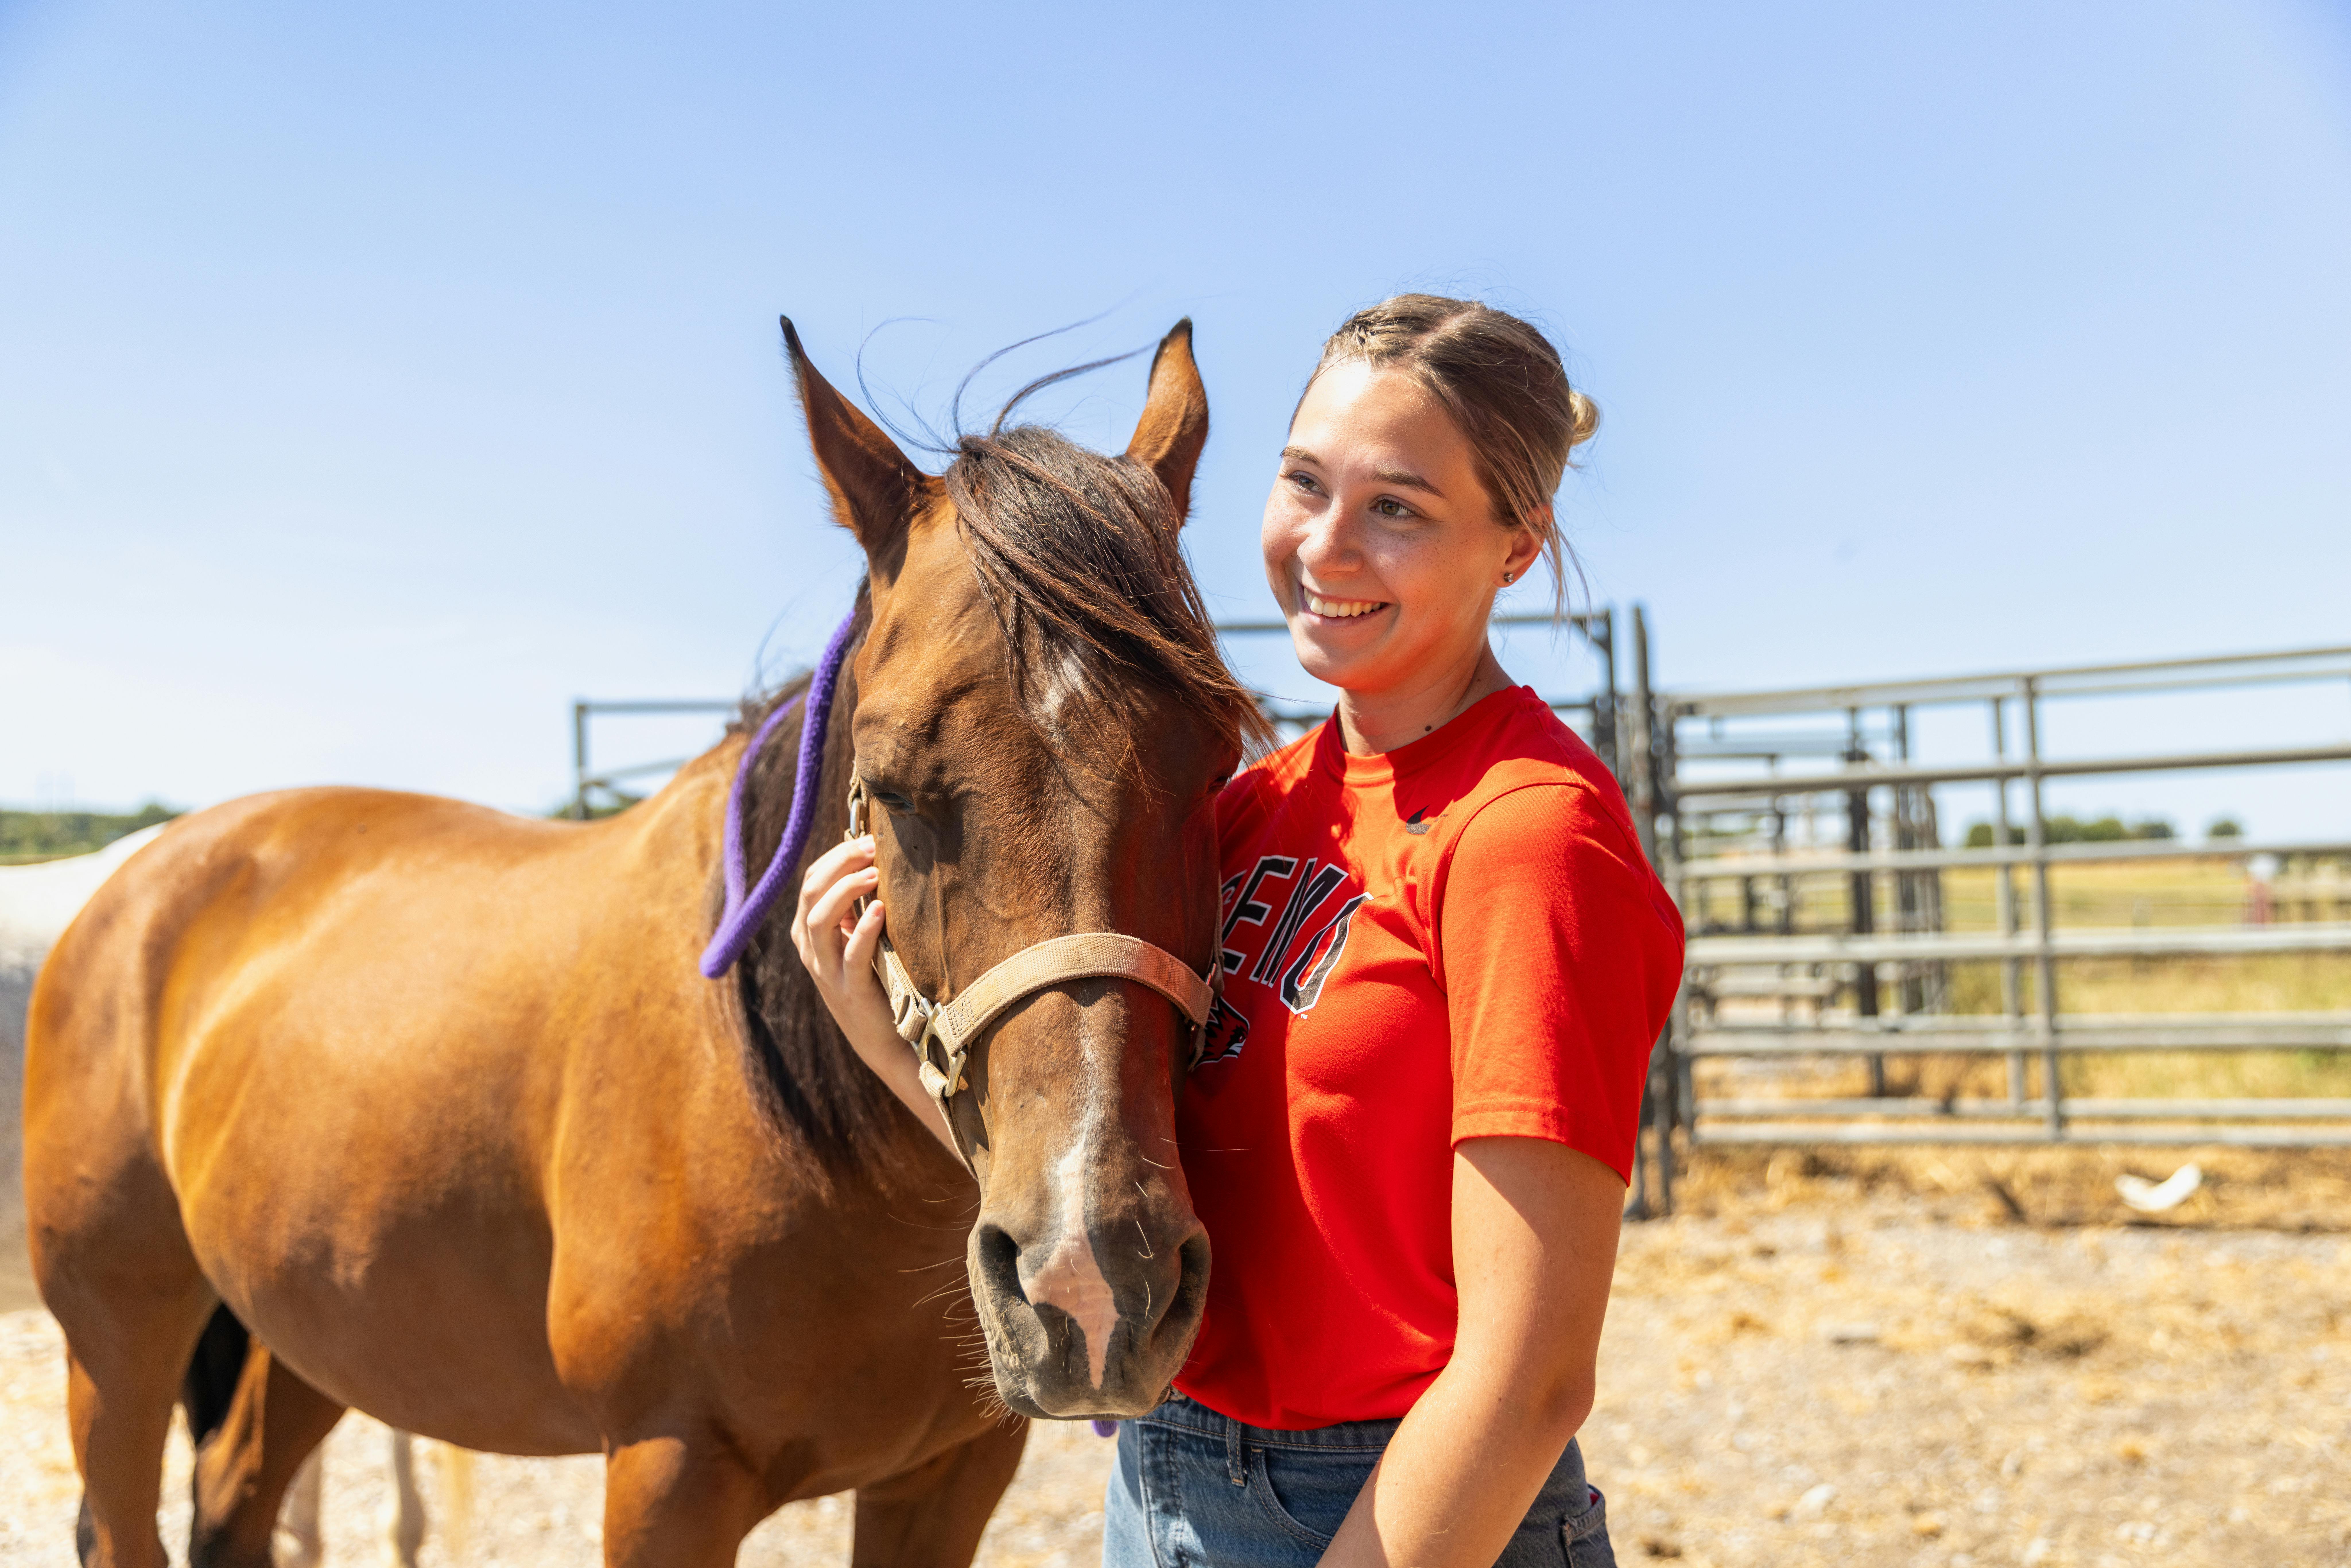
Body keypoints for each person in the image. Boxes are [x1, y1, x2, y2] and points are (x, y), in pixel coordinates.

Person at [794, 294, 1683, 1567]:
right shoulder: (1245, 809)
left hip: (1407, 1513)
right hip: (1167, 1485)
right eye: (1303, 483)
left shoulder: (1526, 838)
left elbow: (1527, 1375)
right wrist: (886, 1043)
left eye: (1398, 508)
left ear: (1515, 547)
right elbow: (1105, 1171)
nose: (1324, 548)